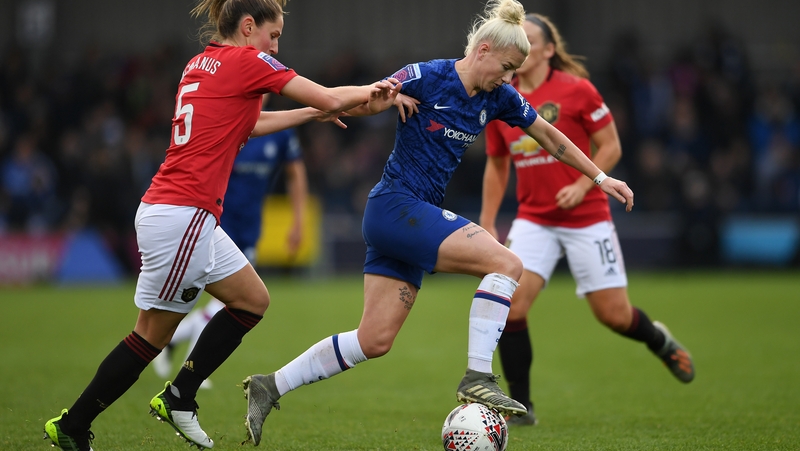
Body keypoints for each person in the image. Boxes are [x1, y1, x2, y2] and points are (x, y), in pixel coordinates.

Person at [240, 0, 635, 446]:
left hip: (406, 221)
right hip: (396, 207)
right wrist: (385, 99)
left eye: (513, 73)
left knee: (374, 339)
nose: (508, 79)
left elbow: (549, 135)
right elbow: (368, 104)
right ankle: (478, 375)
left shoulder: (499, 97)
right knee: (506, 264)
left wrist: (600, 177)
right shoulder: (428, 75)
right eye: (505, 68)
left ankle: (269, 386)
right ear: (483, 49)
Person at [42, 0, 411, 448]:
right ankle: (74, 426)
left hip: (185, 214)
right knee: (151, 337)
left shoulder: (200, 63)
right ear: (249, 25)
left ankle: (179, 396)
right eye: (273, 36)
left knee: (252, 300)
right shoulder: (249, 60)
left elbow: (249, 124)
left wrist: (318, 112)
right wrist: (378, 91)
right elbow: (331, 97)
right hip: (185, 216)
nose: (276, 47)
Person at [479, 13, 695, 426]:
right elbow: (497, 163)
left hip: (587, 218)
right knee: (513, 307)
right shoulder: (500, 95)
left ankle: (659, 340)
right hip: (534, 218)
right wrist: (489, 219)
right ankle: (522, 408)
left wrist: (582, 187)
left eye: (529, 38)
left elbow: (610, 146)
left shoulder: (577, 89)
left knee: (614, 315)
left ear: (547, 50)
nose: (520, 45)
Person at [151, 93, 309, 389]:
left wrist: (298, 221)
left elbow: (296, 173)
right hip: (217, 222)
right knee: (232, 300)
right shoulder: (233, 124)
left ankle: (175, 343)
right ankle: (194, 369)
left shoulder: (281, 130)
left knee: (229, 300)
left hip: (250, 225)